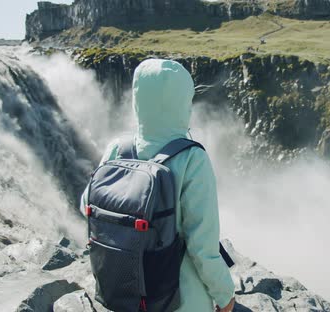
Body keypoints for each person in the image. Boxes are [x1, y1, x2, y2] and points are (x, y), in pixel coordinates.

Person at [80, 59, 235, 312]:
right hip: (180, 300)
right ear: (183, 101)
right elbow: (201, 245)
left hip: (125, 292)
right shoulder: (192, 158)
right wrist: (225, 295)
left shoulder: (118, 148)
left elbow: (87, 204)